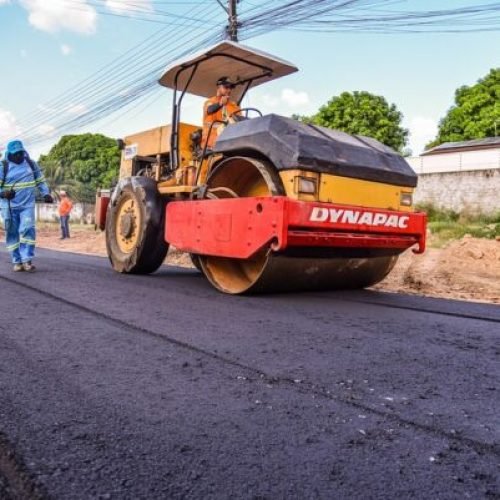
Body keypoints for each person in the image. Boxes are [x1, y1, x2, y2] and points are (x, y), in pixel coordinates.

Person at [0, 140, 53, 272]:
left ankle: (27, 260)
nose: (18, 156)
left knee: (28, 229)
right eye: (15, 153)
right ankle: (17, 261)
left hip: (27, 206)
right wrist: (4, 193)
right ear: (9, 154)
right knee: (12, 234)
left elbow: (40, 180)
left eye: (20, 152)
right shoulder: (3, 166)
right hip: (9, 207)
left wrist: (46, 194)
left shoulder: (30, 163)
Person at [202, 76, 241, 150]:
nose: (229, 90)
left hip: (230, 139)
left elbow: (240, 122)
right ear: (219, 87)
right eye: (226, 87)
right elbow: (210, 110)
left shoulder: (234, 106)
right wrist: (220, 104)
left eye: (230, 88)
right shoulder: (210, 102)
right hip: (211, 140)